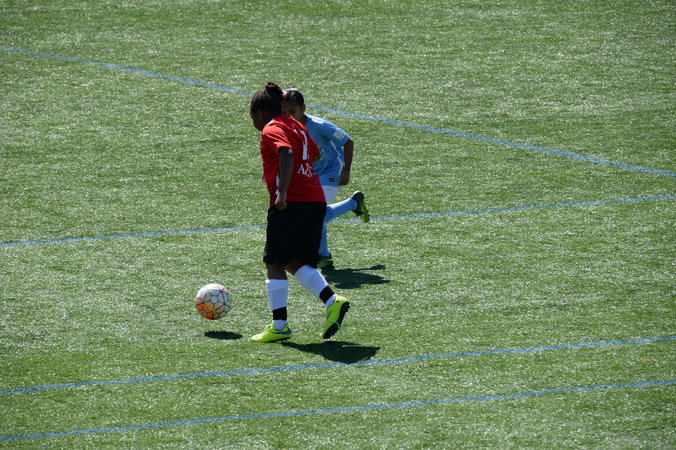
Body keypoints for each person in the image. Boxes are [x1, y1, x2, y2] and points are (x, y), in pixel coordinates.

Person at [248, 82, 350, 343]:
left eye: (253, 118)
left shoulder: (272, 128)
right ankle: (333, 301)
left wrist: (282, 191)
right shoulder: (298, 125)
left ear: (260, 113)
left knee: (274, 262)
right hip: (314, 199)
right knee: (295, 261)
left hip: (291, 202)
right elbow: (313, 155)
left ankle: (279, 326)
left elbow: (286, 152)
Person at [282, 88, 369, 270]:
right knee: (314, 213)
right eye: (284, 113)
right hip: (310, 174)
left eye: (292, 112)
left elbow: (348, 142)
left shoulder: (320, 126)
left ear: (303, 108)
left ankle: (324, 255)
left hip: (332, 171)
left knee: (315, 213)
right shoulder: (287, 128)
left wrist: (346, 171)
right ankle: (353, 203)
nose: (288, 116)